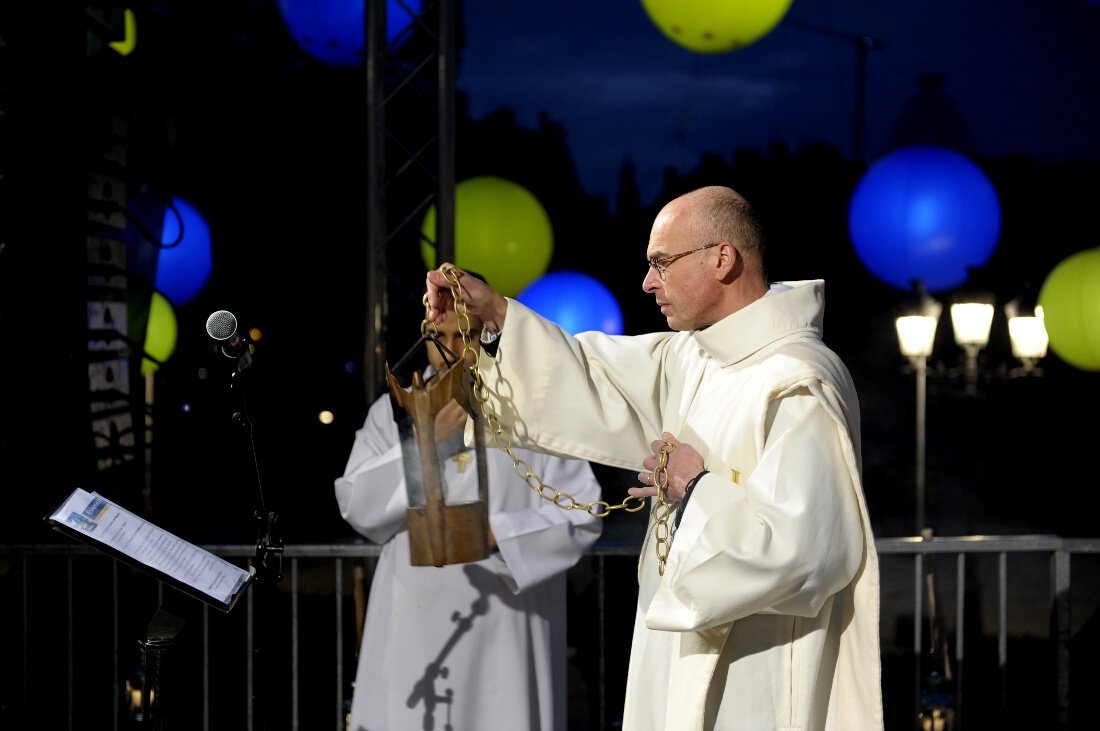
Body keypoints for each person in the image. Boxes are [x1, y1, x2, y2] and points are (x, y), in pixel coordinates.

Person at [425, 185, 883, 730]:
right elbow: (590, 373)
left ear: (722, 258)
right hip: (675, 653)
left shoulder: (797, 382)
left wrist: (696, 489)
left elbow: (810, 551)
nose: (647, 283)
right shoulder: (696, 357)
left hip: (756, 671)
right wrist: (495, 314)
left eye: (661, 263)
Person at [334, 304, 603, 731]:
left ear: (492, 335)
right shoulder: (393, 412)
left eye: (468, 336)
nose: (455, 350)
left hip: (504, 618)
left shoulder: (533, 412)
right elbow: (359, 506)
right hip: (412, 624)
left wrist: (504, 534)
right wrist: (427, 440)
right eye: (444, 338)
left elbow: (583, 513)